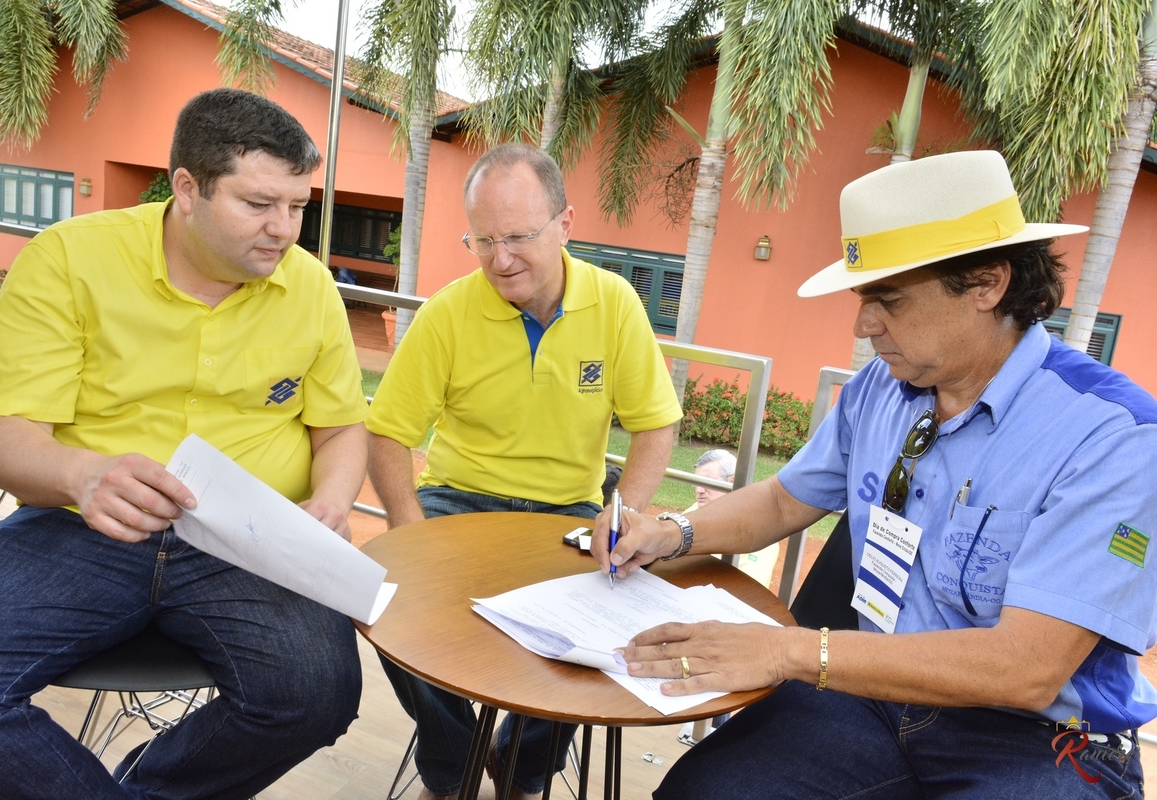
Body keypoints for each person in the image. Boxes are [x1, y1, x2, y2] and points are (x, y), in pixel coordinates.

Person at [597, 150, 1157, 798]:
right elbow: (783, 500)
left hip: (1036, 739)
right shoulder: (879, 392)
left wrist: (789, 651)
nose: (863, 325)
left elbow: (1026, 668)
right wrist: (674, 531)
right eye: (865, 298)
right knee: (701, 791)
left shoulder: (1115, 436)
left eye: (887, 299)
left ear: (985, 283)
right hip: (876, 697)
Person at [0, 89, 369, 799]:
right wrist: (84, 475)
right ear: (187, 187)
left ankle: (153, 787)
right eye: (259, 204)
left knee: (317, 697)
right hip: (79, 527)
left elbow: (340, 429)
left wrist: (332, 501)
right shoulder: (69, 260)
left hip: (248, 544)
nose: (285, 230)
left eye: (299, 206)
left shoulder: (310, 289)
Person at [366, 142, 682, 800]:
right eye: (481, 240)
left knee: (596, 628)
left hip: (566, 510)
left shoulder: (617, 303)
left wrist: (623, 512)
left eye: (516, 237)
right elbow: (389, 432)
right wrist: (409, 528)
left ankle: (519, 774)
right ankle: (453, 770)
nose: (499, 259)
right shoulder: (448, 312)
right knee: (383, 605)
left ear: (564, 224)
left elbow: (656, 423)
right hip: (457, 499)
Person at [685, 449, 779, 587]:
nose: (699, 490)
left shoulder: (760, 533)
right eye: (697, 482)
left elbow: (745, 592)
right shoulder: (695, 510)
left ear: (732, 482)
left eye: (707, 482)